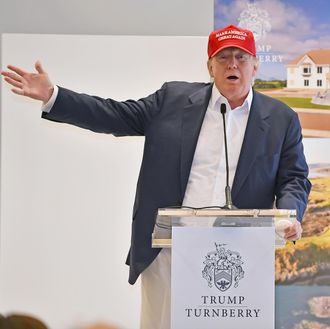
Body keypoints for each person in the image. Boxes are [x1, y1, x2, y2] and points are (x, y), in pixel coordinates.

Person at [1, 24, 311, 329]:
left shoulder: (282, 119)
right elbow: (115, 115)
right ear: (209, 67)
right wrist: (54, 95)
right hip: (171, 248)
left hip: (242, 250)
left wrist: (290, 215)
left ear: (255, 65)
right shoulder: (172, 100)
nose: (233, 64)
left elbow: (294, 178)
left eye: (241, 57)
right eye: (223, 57)